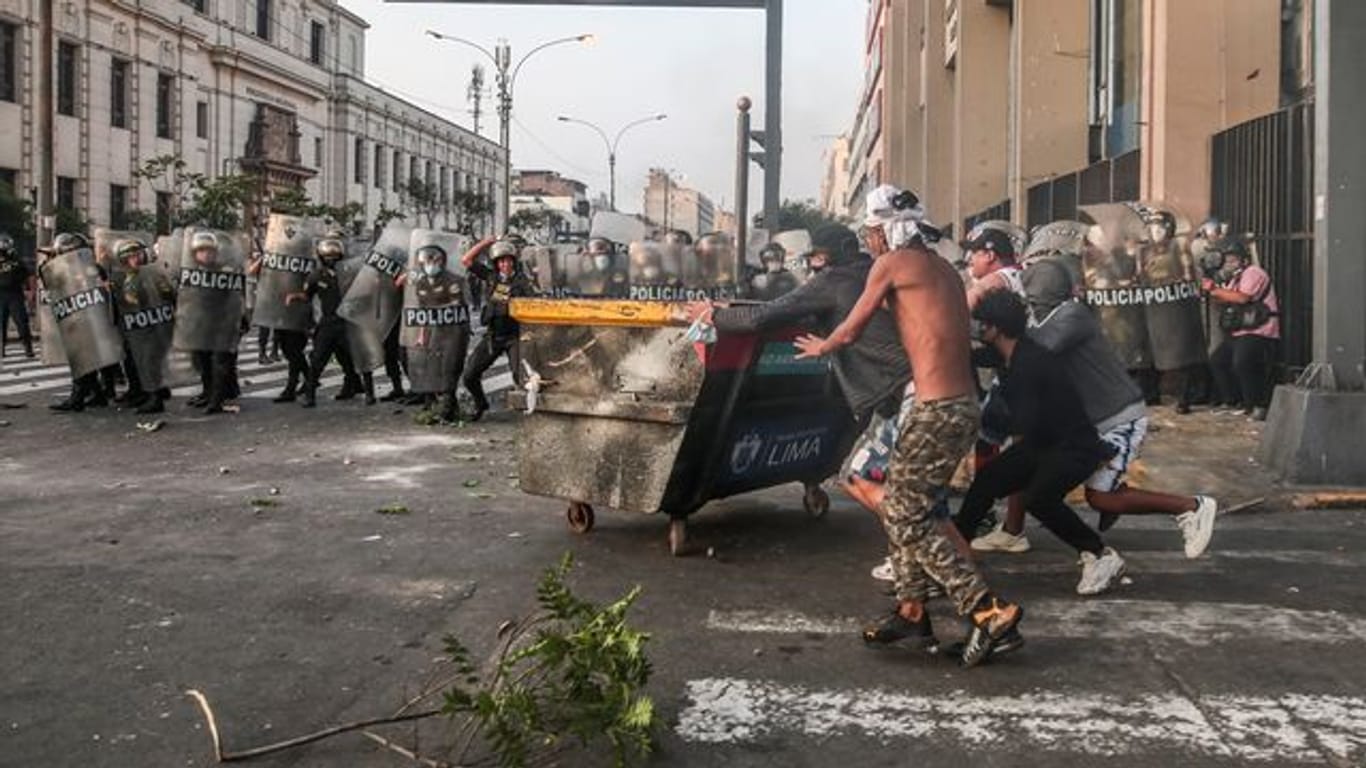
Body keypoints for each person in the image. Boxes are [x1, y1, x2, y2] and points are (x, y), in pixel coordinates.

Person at [793, 184, 1023, 668]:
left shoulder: (893, 265)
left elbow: (853, 326)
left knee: (903, 513)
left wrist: (824, 345)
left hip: (936, 408)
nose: (870, 242)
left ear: (888, 229)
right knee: (906, 501)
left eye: (872, 232)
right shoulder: (941, 268)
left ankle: (987, 609)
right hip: (960, 405)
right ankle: (912, 610)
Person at [971, 258, 1219, 557]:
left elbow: (1035, 349)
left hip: (1117, 417)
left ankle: (1192, 507)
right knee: (1028, 461)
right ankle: (1012, 532)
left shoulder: (1072, 315)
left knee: (1100, 497)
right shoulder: (1043, 320)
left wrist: (996, 332)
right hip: (1085, 422)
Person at [953, 289, 1129, 596]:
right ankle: (954, 552)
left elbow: (1024, 422)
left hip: (1073, 448)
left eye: (980, 322)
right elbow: (971, 355)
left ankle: (1100, 555)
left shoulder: (1030, 364)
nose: (976, 328)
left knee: (1039, 500)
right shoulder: (1010, 352)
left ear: (995, 328)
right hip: (1044, 442)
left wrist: (978, 420)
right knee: (988, 480)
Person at [460, 236, 536, 421]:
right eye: (501, 261)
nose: (505, 265)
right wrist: (487, 242)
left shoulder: (523, 283)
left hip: (514, 336)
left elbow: (533, 305)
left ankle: (531, 413)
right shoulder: (491, 277)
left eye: (508, 261)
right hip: (493, 335)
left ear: (514, 262)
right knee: (469, 375)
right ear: (496, 264)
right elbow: (466, 260)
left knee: (521, 378)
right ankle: (480, 403)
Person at [1205, 239, 1279, 421]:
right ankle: (1233, 401)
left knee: (1242, 362)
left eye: (1233, 260)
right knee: (1217, 360)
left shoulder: (1254, 272)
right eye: (1226, 260)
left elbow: (1242, 298)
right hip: (1241, 331)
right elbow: (1225, 298)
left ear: (1244, 260)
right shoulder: (1235, 278)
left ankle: (1257, 404)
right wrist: (1213, 290)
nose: (1229, 264)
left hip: (1260, 330)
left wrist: (1214, 289)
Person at [287, 235, 364, 407]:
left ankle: (359, 389)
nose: (331, 261)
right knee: (317, 360)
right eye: (327, 258)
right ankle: (310, 395)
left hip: (346, 322)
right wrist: (294, 297)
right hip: (328, 322)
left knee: (352, 359)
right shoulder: (316, 276)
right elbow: (307, 295)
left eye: (334, 258)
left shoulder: (348, 274)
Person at [399, 243, 470, 424]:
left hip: (453, 331)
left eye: (434, 260)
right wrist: (422, 335)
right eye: (426, 261)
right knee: (431, 365)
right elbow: (424, 312)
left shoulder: (453, 280)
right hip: (433, 331)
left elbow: (456, 306)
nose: (430, 264)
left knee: (449, 366)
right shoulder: (421, 283)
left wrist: (438, 310)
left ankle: (446, 407)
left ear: (442, 262)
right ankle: (440, 404)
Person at [109, 238, 176, 414]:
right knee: (132, 360)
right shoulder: (126, 278)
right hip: (135, 326)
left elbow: (168, 294)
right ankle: (139, 392)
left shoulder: (153, 274)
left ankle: (155, 398)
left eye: (137, 255)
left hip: (152, 324)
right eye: (130, 257)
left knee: (150, 360)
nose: (135, 260)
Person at [182, 232, 239, 414]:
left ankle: (216, 400)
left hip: (222, 324)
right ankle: (207, 393)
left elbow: (236, 298)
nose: (206, 254)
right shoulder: (191, 274)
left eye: (209, 251)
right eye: (201, 251)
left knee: (219, 363)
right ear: (195, 254)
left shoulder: (225, 272)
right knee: (203, 362)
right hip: (201, 324)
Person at [963, 228, 1025, 309]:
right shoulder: (1017, 273)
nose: (969, 260)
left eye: (973, 253)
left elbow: (961, 309)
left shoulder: (1000, 277)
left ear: (989, 256)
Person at [0, 233, 35, 358]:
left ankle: (28, 347)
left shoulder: (16, 260)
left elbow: (29, 275)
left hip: (15, 294)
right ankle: (1, 348)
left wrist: (31, 291)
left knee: (21, 321)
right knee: (1, 323)